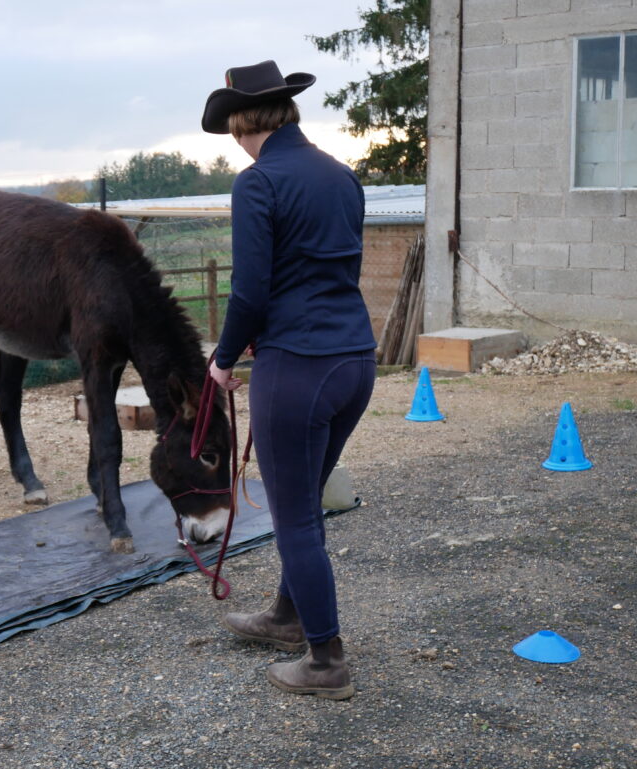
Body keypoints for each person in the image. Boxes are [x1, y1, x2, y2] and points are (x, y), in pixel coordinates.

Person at [201, 60, 377, 698]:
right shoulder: (342, 175)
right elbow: (323, 272)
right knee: (303, 503)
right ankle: (287, 615)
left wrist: (223, 359)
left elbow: (250, 291)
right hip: (356, 361)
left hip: (298, 368)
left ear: (243, 121)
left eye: (230, 128)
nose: (232, 140)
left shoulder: (258, 183)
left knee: (294, 515)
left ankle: (325, 662)